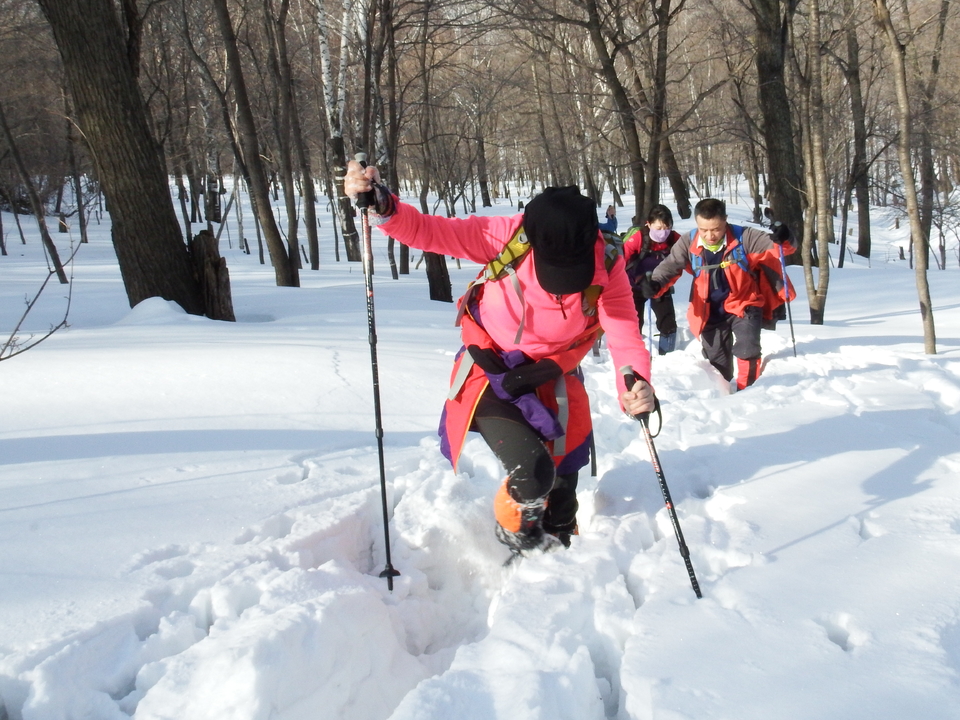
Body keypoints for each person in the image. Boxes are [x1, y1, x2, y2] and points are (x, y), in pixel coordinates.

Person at [344, 161, 655, 557]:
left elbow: (625, 332)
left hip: (554, 373)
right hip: (491, 370)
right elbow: (429, 230)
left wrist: (635, 383)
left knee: (563, 490)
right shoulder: (507, 236)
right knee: (533, 473)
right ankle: (517, 540)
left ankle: (560, 557)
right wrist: (383, 206)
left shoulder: (607, 262)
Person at [639, 198, 796, 391]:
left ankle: (749, 392)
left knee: (748, 348)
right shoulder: (688, 242)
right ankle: (723, 394)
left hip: (744, 303)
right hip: (708, 311)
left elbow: (781, 248)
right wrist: (655, 283)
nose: (710, 235)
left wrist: (785, 237)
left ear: (725, 221)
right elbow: (670, 266)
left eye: (716, 229)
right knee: (718, 365)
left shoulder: (745, 237)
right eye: (704, 229)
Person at [622, 204, 680, 355]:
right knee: (633, 325)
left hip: (660, 287)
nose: (663, 232)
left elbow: (679, 267)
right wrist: (636, 280)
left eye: (667, 227)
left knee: (668, 324)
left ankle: (668, 356)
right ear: (649, 224)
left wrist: (662, 284)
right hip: (634, 286)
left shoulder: (675, 240)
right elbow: (620, 264)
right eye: (659, 228)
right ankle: (632, 356)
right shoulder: (638, 239)